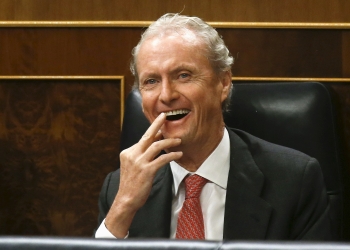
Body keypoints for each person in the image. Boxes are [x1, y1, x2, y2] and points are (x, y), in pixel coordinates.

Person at [95, 13, 334, 240]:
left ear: (223, 83)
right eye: (151, 81)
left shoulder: (294, 181)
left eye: (183, 75)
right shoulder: (119, 188)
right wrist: (122, 208)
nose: (166, 95)